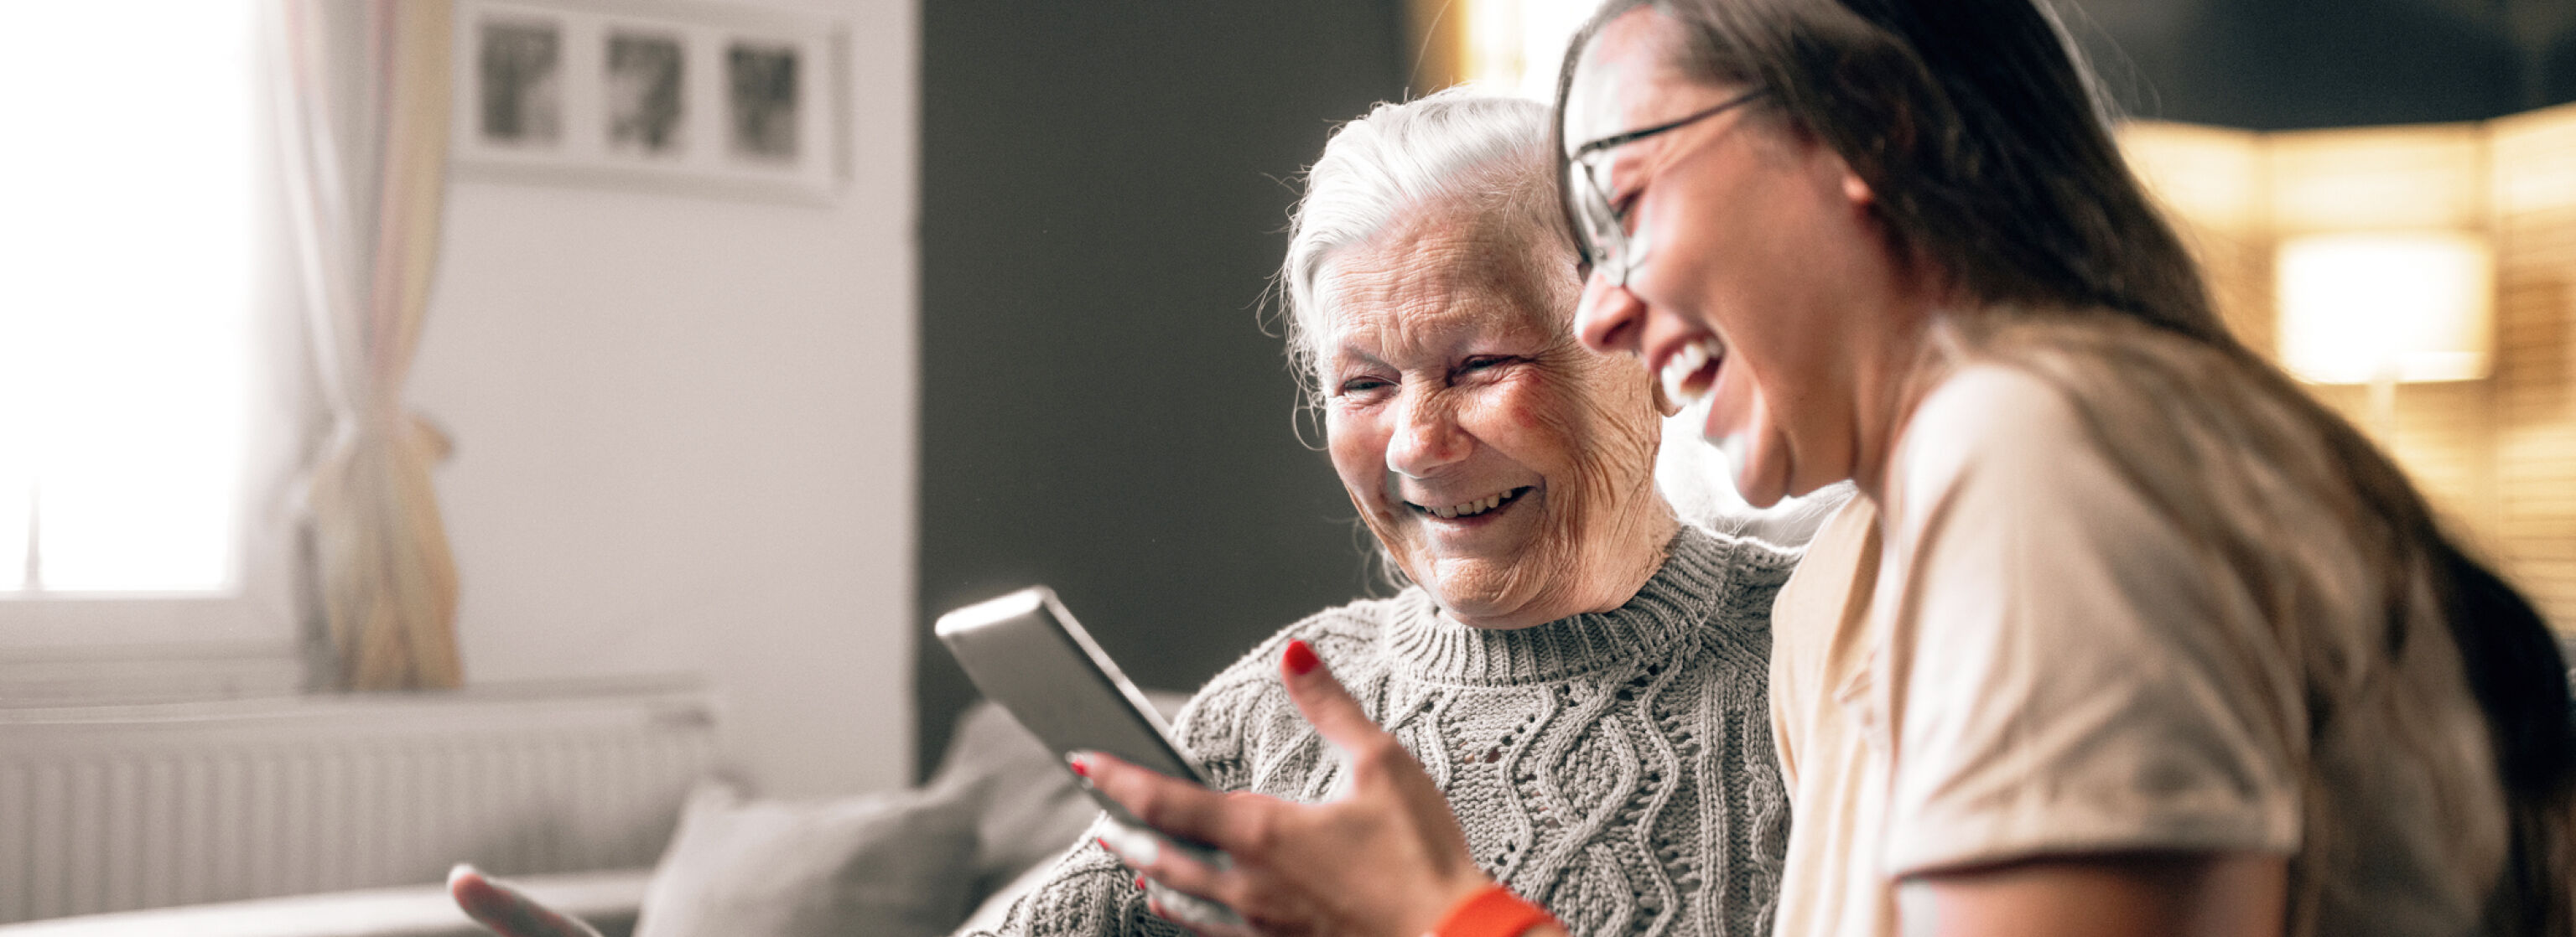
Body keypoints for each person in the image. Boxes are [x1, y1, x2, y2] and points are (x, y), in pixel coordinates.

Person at [1079, 2, 2576, 936]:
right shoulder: (1873, 558)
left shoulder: (2042, 453)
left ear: (1867, 137)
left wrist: (1433, 922)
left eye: (1627, 200)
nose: (1603, 306)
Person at [447, 88, 1809, 937]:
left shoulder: (1821, 661)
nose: (1417, 439)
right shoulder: (1284, 696)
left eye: (1480, 366)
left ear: (1641, 341)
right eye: (1363, 381)